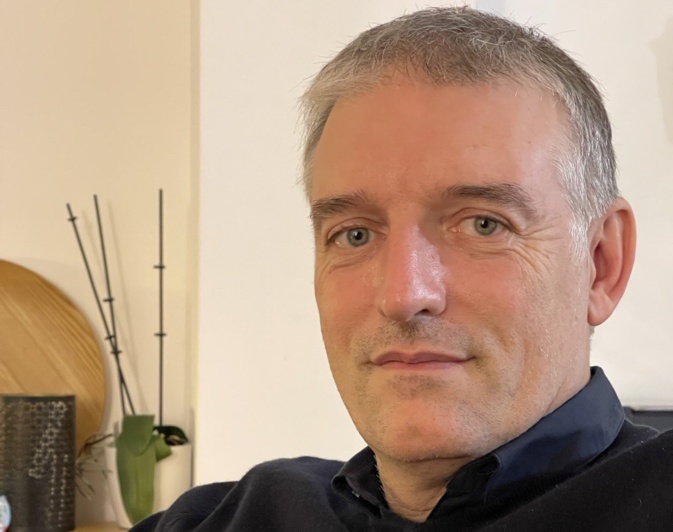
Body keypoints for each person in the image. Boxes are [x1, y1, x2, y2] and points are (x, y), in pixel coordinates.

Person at [133, 6, 673, 531]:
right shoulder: (224, 519)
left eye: (483, 224)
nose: (403, 294)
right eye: (355, 234)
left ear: (601, 264)